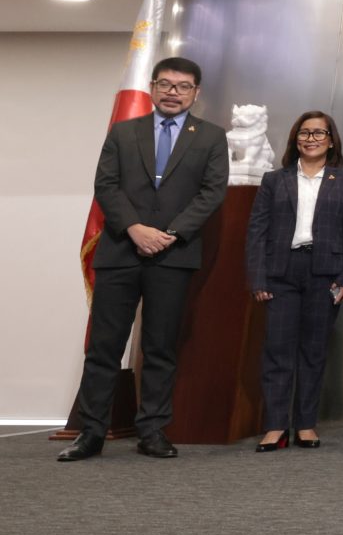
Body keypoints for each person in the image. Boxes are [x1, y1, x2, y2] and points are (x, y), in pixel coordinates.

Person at [58, 57, 230, 462]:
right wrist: (135, 228)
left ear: (196, 93)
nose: (173, 92)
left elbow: (212, 192)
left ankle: (152, 431)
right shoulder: (123, 131)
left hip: (173, 256)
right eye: (166, 84)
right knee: (104, 348)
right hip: (120, 251)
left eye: (183, 86)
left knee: (160, 347)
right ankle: (91, 433)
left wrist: (169, 234)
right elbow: (106, 185)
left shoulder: (210, 137)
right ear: (153, 87)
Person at [246, 110, 343, 451]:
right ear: (295, 138)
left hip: (325, 273)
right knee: (278, 351)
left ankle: (306, 424)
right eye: (304, 132)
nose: (310, 139)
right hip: (281, 273)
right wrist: (258, 277)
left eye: (318, 133)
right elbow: (257, 232)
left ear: (331, 140)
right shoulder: (274, 180)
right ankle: (275, 426)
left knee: (313, 352)